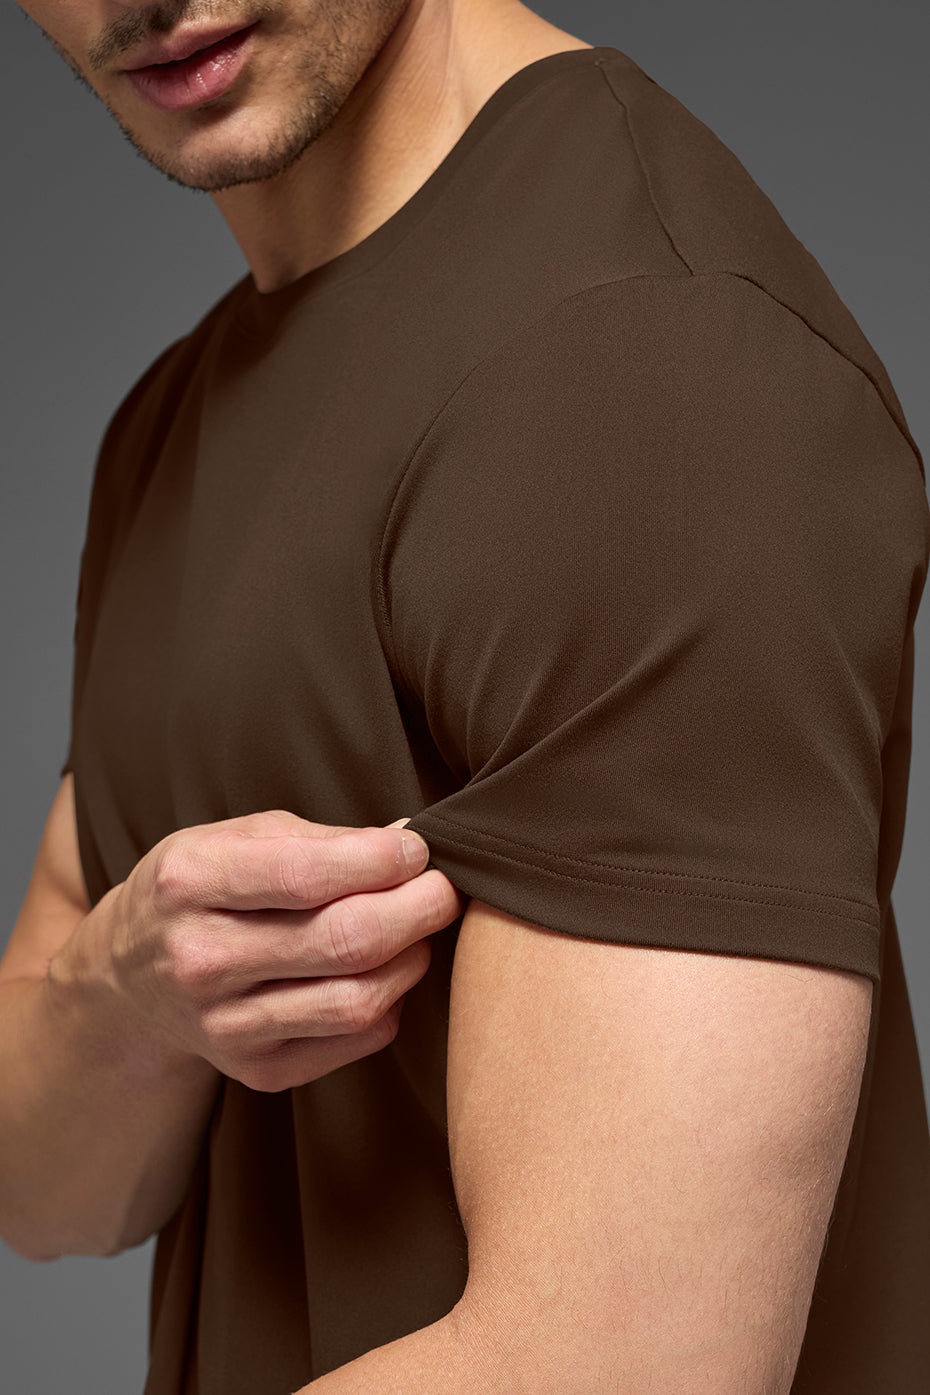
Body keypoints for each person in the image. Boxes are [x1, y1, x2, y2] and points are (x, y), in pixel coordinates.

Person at [0, 0, 927, 1391]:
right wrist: (129, 1002)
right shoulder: (173, 417)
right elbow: (45, 1189)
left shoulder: (644, 365)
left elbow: (617, 1367)